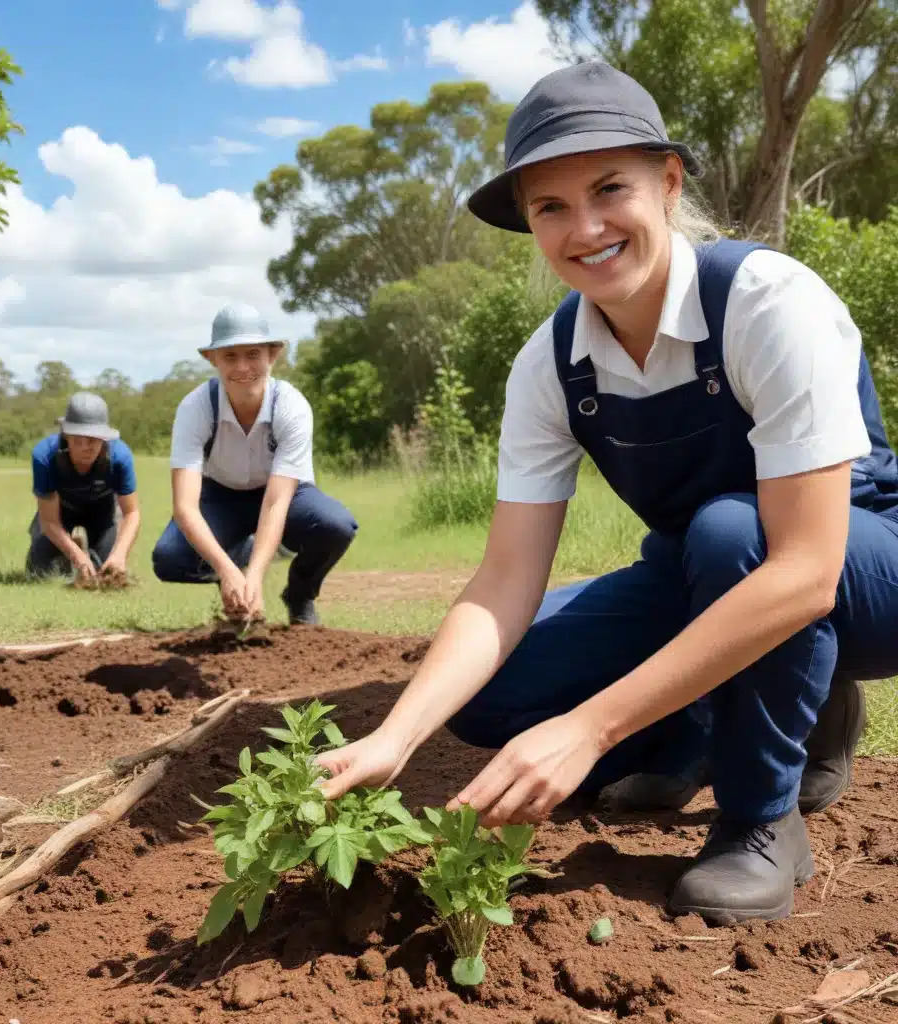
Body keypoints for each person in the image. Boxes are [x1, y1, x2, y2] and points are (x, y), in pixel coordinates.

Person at [315, 62, 898, 926]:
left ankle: (759, 819)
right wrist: (395, 736)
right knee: (490, 695)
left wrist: (588, 728)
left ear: (668, 182)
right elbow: (504, 579)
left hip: (860, 573)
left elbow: (806, 570)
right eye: (550, 206)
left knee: (730, 531)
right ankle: (701, 729)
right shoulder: (551, 365)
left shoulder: (768, 301)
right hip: (706, 570)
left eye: (609, 188)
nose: (584, 228)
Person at [151, 303, 357, 626]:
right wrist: (227, 570)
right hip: (221, 497)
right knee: (169, 558)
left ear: (271, 355)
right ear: (212, 359)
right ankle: (235, 564)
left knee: (336, 526)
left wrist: (257, 576)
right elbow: (185, 507)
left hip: (284, 496)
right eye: (230, 356)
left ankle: (300, 594)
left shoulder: (291, 407)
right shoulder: (195, 408)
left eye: (253, 354)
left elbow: (276, 501)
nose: (243, 366)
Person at [27, 392, 141, 580]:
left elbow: (132, 513)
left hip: (103, 511)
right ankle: (69, 552)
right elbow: (49, 522)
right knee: (40, 571)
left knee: (105, 573)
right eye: (78, 439)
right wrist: (76, 555)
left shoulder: (120, 456)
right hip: (61, 511)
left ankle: (94, 554)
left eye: (93, 439)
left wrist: (119, 554)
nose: (85, 447)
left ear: (104, 438)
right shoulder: (44, 456)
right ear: (66, 434)